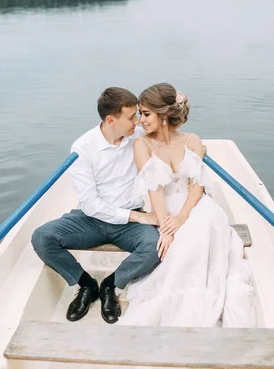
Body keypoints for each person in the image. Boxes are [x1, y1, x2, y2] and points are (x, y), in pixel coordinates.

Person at [119, 83, 256, 327]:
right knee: (178, 244)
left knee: (205, 224)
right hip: (164, 209)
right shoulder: (143, 145)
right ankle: (186, 299)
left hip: (194, 204)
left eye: (146, 114)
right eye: (140, 114)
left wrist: (182, 217)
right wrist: (166, 227)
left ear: (163, 116)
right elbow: (154, 191)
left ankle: (205, 298)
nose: (140, 121)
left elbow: (197, 185)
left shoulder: (192, 141)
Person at [31, 87, 161, 324]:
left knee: (155, 246)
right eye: (131, 117)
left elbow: (171, 137)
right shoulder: (83, 147)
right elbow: (90, 204)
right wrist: (137, 216)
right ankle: (86, 284)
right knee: (42, 238)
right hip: (90, 219)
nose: (138, 121)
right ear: (111, 120)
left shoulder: (139, 137)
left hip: (128, 223)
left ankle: (111, 285)